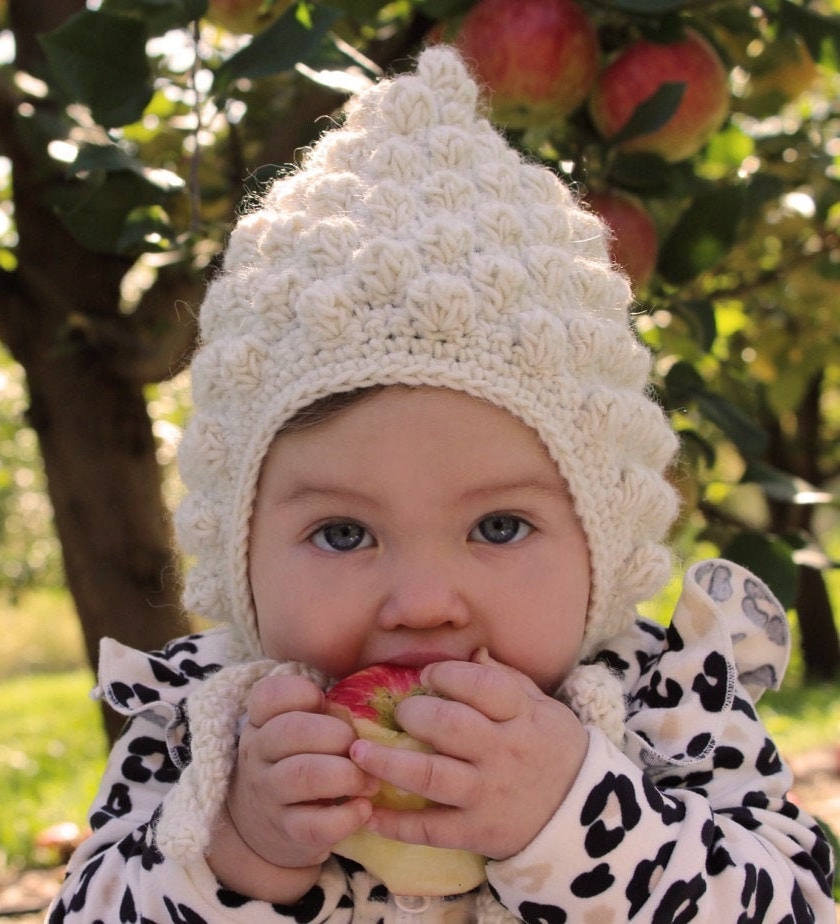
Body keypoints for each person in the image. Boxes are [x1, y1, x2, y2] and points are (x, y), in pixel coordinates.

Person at [47, 46, 834, 923]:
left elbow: (792, 906)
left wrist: (571, 816)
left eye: (499, 527)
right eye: (343, 533)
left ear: (602, 541)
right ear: (240, 555)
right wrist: (236, 853)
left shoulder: (671, 709)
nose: (422, 605)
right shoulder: (210, 734)